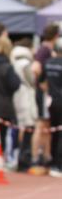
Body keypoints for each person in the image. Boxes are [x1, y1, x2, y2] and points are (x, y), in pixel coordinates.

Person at [31, 23, 59, 170]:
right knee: (41, 124)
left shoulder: (47, 49)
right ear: (56, 36)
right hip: (43, 93)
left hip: (47, 94)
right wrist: (42, 84)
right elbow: (35, 68)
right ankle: (35, 157)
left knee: (47, 125)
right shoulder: (44, 50)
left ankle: (47, 155)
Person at [11, 38, 38, 171]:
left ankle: (15, 156)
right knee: (28, 128)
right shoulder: (25, 63)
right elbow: (32, 81)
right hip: (26, 98)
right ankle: (24, 159)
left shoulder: (13, 61)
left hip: (16, 98)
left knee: (17, 128)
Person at [40, 41, 62, 177]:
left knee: (53, 132)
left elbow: (41, 82)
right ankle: (58, 164)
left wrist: (49, 92)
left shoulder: (47, 63)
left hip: (51, 101)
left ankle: (53, 161)